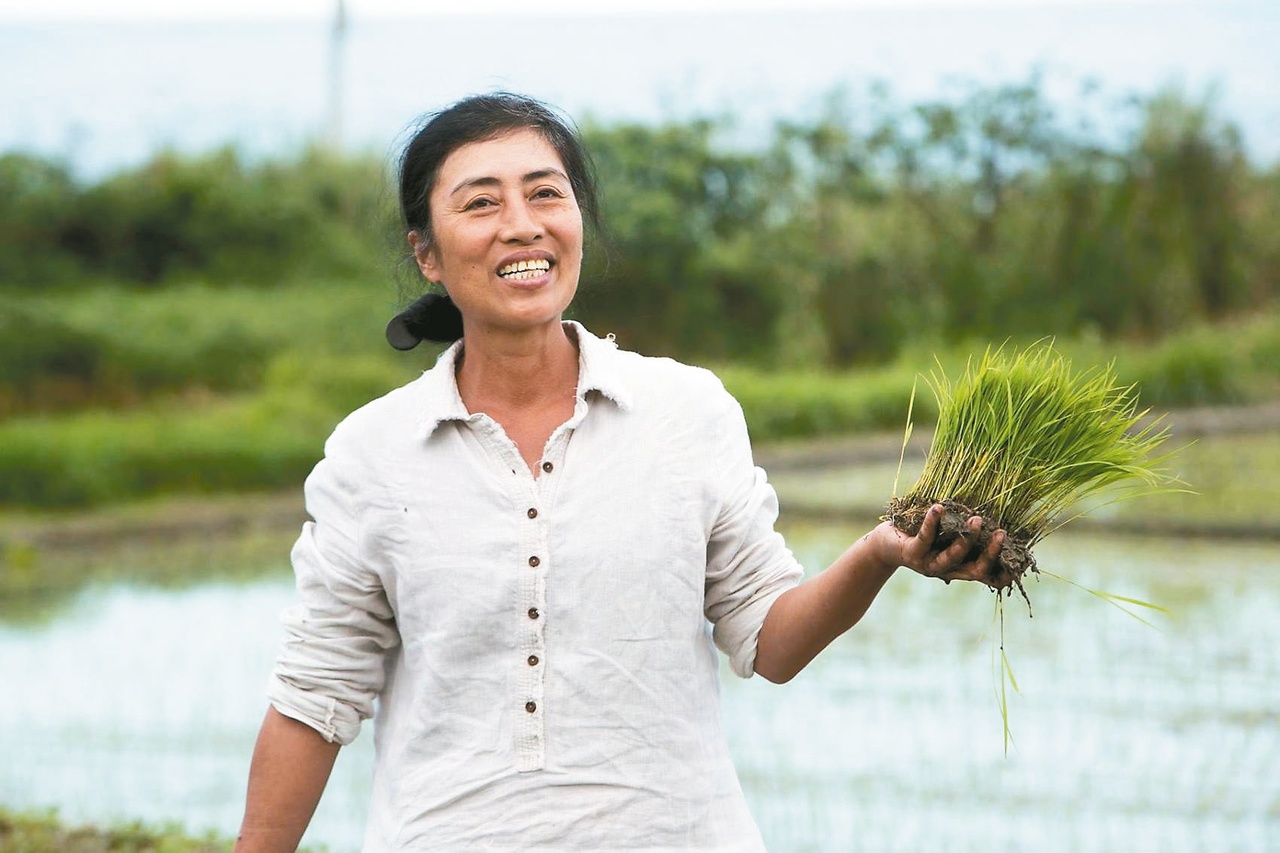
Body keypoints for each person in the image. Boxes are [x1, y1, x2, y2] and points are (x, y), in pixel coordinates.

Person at [234, 92, 1008, 852]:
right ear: (426, 252)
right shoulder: (372, 453)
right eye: (480, 203)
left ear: (578, 223)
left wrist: (879, 553)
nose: (522, 224)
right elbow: (313, 698)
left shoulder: (687, 410)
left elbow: (768, 641)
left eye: (546, 193)